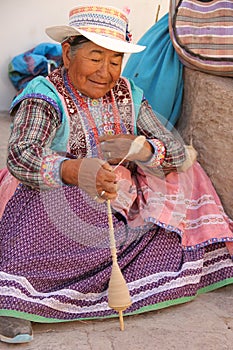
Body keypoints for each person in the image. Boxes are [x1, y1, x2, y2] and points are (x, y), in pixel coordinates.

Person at [0, 4, 233, 344]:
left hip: (117, 201)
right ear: (67, 54)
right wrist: (72, 169)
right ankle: (17, 298)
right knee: (44, 202)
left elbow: (177, 150)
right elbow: (22, 157)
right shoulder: (44, 96)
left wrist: (141, 149)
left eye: (114, 60)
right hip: (57, 196)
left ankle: (132, 272)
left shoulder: (128, 94)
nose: (105, 72)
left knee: (185, 174)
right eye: (95, 58)